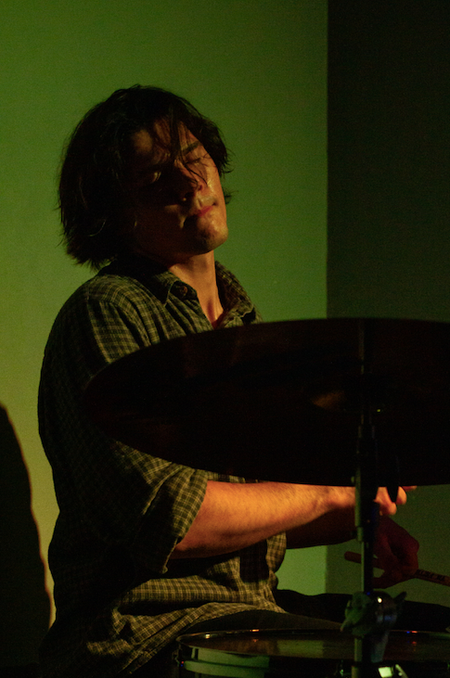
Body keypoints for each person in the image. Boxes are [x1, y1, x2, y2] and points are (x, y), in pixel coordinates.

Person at [38, 85, 444, 678]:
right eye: (154, 176)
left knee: (426, 642)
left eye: (193, 156)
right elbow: (172, 523)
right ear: (113, 214)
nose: (189, 182)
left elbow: (254, 513)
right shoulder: (108, 310)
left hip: (249, 611)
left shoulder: (238, 324)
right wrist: (329, 494)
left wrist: (360, 517)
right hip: (144, 634)